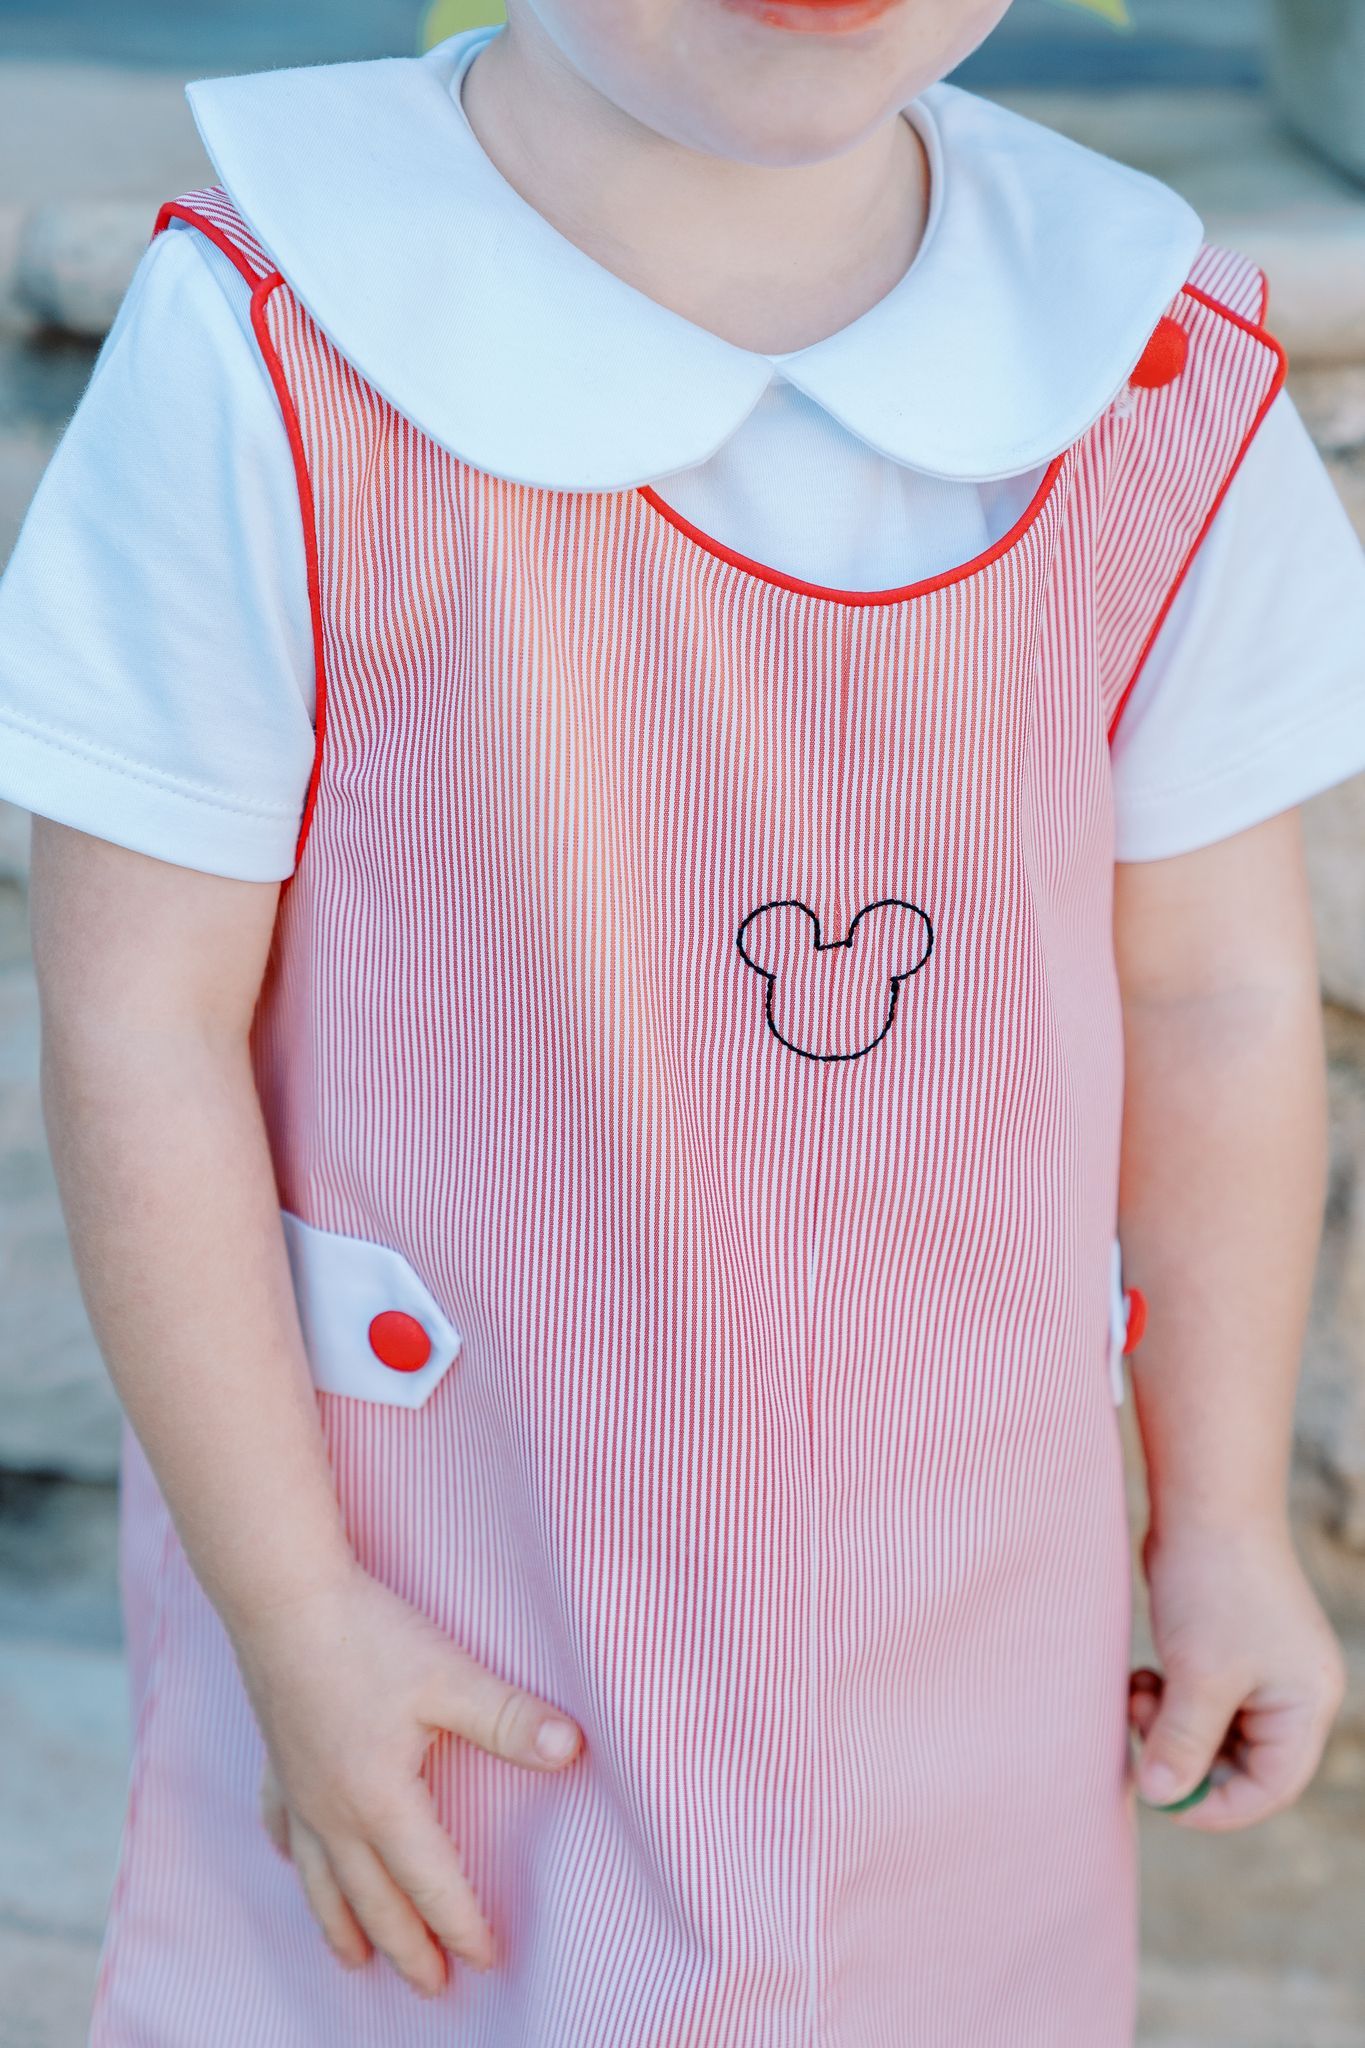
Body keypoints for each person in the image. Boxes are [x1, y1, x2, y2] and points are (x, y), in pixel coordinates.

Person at [1, 5, 1362, 2042]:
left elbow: (1214, 993)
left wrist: (1224, 1512)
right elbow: (142, 1026)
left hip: (963, 1601)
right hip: (455, 1592)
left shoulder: (1140, 372)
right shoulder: (280, 346)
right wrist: (291, 1611)